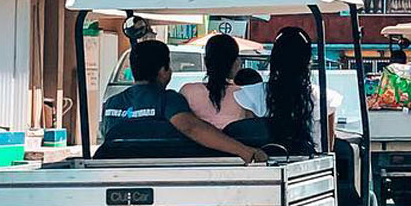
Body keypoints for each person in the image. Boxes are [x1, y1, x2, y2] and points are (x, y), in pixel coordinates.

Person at [101, 40, 267, 164]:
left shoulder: (111, 103)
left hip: (117, 170)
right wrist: (243, 150)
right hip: (161, 169)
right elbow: (190, 127)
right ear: (163, 71)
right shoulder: (168, 100)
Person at [235, 27, 342, 154]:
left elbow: (249, 139)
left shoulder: (253, 95)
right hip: (313, 167)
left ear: (274, 58)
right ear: (308, 61)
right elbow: (328, 147)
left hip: (265, 165)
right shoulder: (326, 98)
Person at [179, 34, 254, 129]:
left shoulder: (188, 91)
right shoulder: (246, 95)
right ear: (236, 63)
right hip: (235, 143)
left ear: (206, 62)